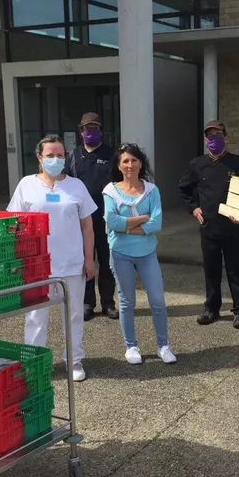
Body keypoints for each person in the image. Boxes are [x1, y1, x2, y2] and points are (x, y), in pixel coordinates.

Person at [7, 136, 96, 382]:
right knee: (36, 317)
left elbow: (88, 227)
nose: (55, 160)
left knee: (74, 314)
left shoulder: (76, 186)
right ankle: (34, 363)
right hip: (38, 266)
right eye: (50, 155)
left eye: (60, 155)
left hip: (71, 263)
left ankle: (74, 359)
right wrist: (19, 261)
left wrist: (89, 260)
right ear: (39, 157)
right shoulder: (27, 185)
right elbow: (13, 225)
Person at [178, 120, 239, 329]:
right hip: (209, 227)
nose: (213, 140)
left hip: (234, 227)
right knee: (211, 270)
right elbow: (184, 188)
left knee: (237, 271)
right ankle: (211, 309)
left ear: (225, 136)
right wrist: (194, 208)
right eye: (210, 136)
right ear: (205, 140)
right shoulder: (197, 164)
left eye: (217, 135)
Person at [102, 143, 176, 365]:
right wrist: (142, 219)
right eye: (125, 161)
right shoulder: (110, 191)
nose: (130, 165)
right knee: (126, 301)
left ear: (141, 163)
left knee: (157, 300)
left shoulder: (152, 190)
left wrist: (126, 226)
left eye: (134, 160)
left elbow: (157, 223)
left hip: (147, 253)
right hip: (120, 253)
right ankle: (131, 346)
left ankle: (163, 345)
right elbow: (111, 221)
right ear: (119, 165)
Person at [65, 112, 119, 322]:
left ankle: (108, 303)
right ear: (81, 132)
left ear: (101, 131)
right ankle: (88, 303)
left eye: (95, 128)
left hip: (106, 219)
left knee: (107, 262)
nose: (91, 132)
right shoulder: (73, 156)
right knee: (85, 262)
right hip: (81, 220)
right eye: (87, 129)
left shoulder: (111, 154)